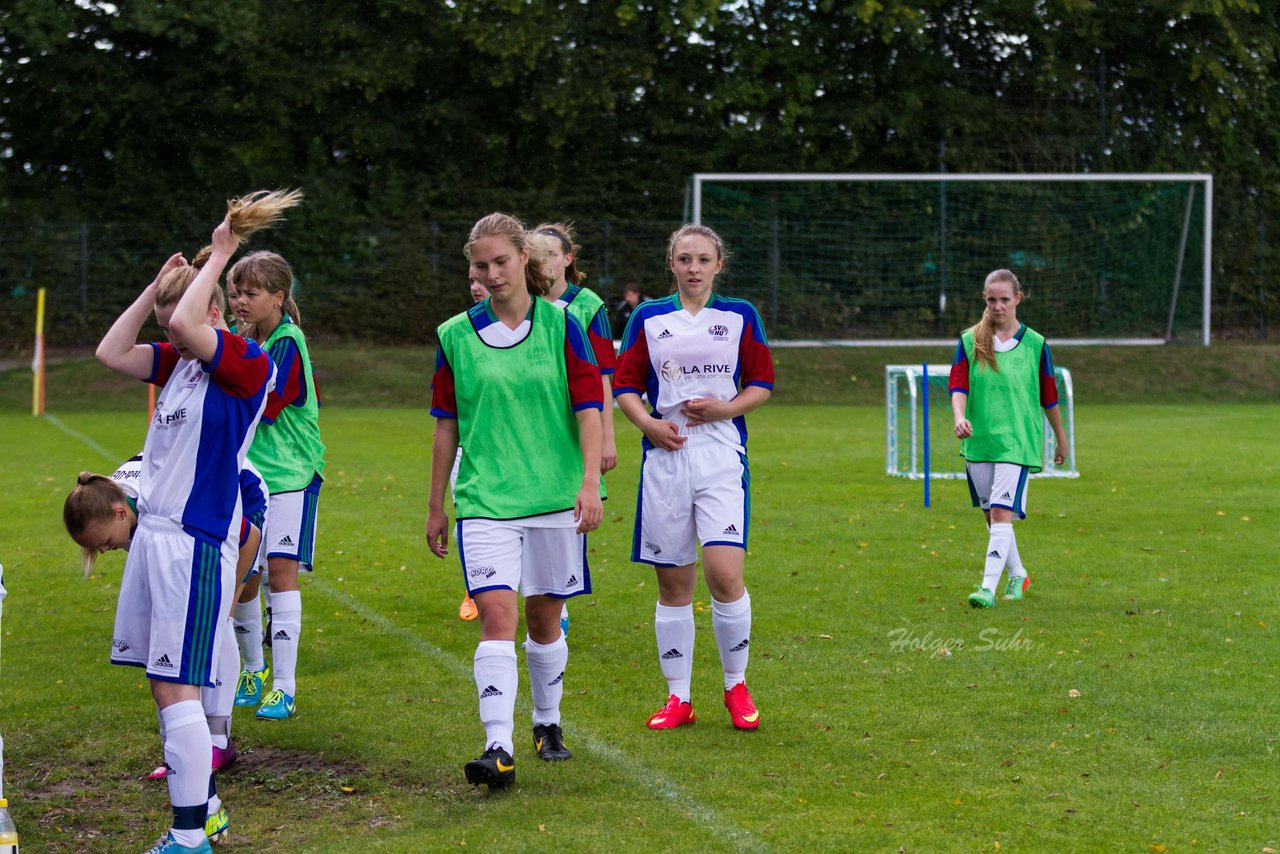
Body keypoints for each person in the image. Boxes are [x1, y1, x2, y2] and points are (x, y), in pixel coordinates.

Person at [92, 198, 280, 854]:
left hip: (196, 544)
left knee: (179, 688)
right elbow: (110, 351)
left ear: (210, 310)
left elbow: (198, 331)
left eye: (177, 316)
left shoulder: (245, 363)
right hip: (158, 539)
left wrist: (221, 251)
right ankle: (205, 808)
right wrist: (152, 290)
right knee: (163, 684)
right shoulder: (177, 364)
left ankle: (188, 834)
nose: (167, 329)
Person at [426, 212, 603, 789]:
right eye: (481, 264)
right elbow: (445, 426)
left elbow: (588, 407)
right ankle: (497, 744)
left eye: (501, 261)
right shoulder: (454, 334)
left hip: (553, 498)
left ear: (523, 259)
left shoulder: (561, 326)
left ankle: (547, 721)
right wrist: (436, 505)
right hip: (483, 500)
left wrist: (587, 485)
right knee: (497, 618)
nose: (492, 272)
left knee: (543, 621)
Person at [613, 224, 774, 732]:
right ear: (672, 264)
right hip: (665, 458)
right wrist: (648, 425)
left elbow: (763, 383)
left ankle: (735, 685)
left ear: (718, 265)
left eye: (703, 259)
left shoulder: (740, 315)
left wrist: (725, 408)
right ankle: (678, 697)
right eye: (684, 259)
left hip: (721, 455)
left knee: (725, 575)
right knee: (673, 583)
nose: (694, 268)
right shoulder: (648, 317)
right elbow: (626, 385)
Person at [63, 453, 267, 843]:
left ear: (122, 513)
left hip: (243, 492)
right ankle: (198, 786)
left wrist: (229, 598)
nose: (106, 551)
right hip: (186, 525)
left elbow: (248, 536)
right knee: (169, 660)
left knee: (225, 618)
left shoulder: (166, 507)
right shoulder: (113, 505)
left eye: (106, 542)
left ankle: (217, 744)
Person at [226, 233, 325, 722]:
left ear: (278, 298)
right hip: (248, 475)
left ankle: (284, 686)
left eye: (250, 293)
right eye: (235, 291)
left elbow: (262, 405)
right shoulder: (243, 338)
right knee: (244, 574)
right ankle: (252, 670)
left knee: (280, 573)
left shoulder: (289, 341)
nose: (239, 301)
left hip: (290, 475)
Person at [949, 269, 1068, 609]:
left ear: (1018, 298)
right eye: (991, 300)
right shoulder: (970, 340)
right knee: (991, 516)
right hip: (980, 439)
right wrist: (960, 417)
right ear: (984, 300)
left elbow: (1049, 396)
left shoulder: (1036, 344)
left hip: (1018, 441)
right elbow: (958, 384)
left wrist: (1061, 440)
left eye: (1004, 299)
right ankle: (1018, 574)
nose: (998, 306)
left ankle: (986, 588)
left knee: (1001, 512)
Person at [532, 222, 618, 639]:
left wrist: (608, 436)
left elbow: (603, 375)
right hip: (533, 424)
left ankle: (558, 600)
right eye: (534, 253)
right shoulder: (520, 302)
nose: (542, 260)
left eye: (550, 252)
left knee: (570, 507)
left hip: (578, 422)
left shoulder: (586, 306)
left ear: (568, 259)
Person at [455, 275, 489, 623]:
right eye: (473, 280)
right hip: (468, 449)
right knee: (464, 521)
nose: (478, 285)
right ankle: (473, 589)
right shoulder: (459, 332)